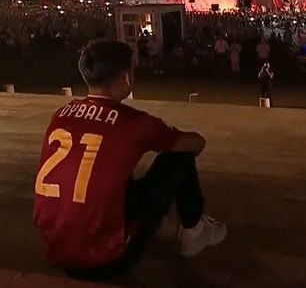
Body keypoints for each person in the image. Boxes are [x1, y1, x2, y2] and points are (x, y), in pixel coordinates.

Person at [33, 40, 226, 281]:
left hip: (58, 250)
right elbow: (196, 144)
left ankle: (161, 224)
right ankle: (194, 231)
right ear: (125, 78)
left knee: (111, 171)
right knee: (179, 159)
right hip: (108, 260)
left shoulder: (60, 116)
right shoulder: (132, 122)